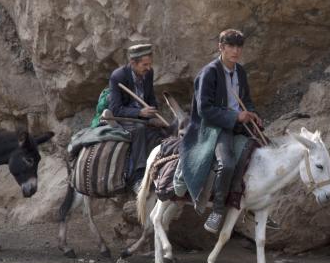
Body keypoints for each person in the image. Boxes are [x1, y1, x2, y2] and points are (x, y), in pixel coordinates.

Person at [183, 29, 263, 234]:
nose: (235, 51)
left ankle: (255, 207)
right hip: (213, 126)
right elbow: (204, 110)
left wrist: (252, 114)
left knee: (264, 152)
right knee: (226, 163)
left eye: (239, 47)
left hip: (238, 123)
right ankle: (217, 211)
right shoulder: (209, 73)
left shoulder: (240, 72)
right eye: (231, 46)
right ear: (221, 47)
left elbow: (247, 101)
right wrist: (235, 117)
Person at [106, 41, 168, 182]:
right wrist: (140, 113)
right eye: (144, 65)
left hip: (143, 115)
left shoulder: (148, 73)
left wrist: (153, 113)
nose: (148, 68)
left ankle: (157, 168)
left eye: (150, 64)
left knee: (164, 131)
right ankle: (137, 175)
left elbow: (150, 97)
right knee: (140, 129)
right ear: (133, 63)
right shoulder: (118, 76)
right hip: (124, 117)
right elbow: (116, 109)